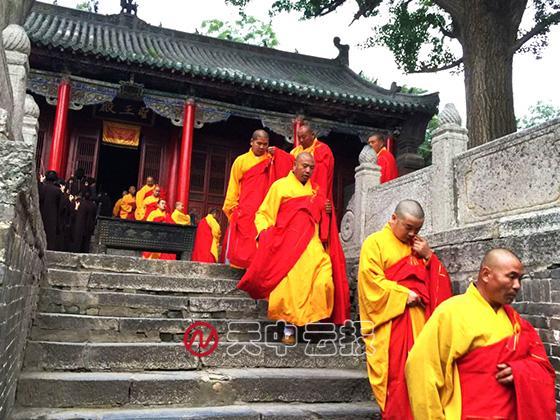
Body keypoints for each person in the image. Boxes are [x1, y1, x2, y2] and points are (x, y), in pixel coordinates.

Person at [406, 248, 556, 420]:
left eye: (520, 279)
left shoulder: (516, 322)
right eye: (511, 276)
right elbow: (421, 371)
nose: (517, 286)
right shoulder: (451, 312)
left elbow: (542, 367)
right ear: (486, 274)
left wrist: (521, 372)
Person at [357, 199, 452, 419]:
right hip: (392, 324)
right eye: (408, 227)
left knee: (420, 376)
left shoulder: (418, 248)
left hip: (420, 324)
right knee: (396, 378)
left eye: (417, 229)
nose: (412, 234)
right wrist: (402, 294)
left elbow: (439, 288)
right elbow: (370, 283)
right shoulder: (375, 243)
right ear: (393, 219)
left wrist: (429, 256)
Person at [238, 153, 334, 345]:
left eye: (311, 168)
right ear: (294, 166)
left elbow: (319, 217)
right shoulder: (280, 186)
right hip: (288, 246)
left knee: (324, 283)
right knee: (291, 289)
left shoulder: (315, 191)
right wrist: (265, 235)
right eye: (304, 166)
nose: (308, 171)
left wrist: (326, 211)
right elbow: (264, 214)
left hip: (312, 244)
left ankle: (310, 325)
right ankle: (289, 330)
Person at [290, 123, 350, 325]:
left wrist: (323, 208)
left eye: (304, 137)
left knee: (322, 270)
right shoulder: (295, 152)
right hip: (297, 218)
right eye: (298, 137)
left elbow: (322, 182)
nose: (301, 141)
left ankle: (321, 317)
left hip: (318, 207)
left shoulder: (322, 151)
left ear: (313, 135)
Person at [222, 129, 292, 268]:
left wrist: (278, 154)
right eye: (259, 143)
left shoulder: (271, 159)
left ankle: (257, 269)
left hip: (264, 207)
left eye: (265, 144)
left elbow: (293, 165)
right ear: (251, 142)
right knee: (244, 241)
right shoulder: (241, 161)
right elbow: (233, 185)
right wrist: (232, 206)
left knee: (261, 239)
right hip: (246, 207)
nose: (262, 147)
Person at [38, 170, 63, 250]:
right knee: (50, 235)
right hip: (53, 215)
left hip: (41, 213)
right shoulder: (57, 190)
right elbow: (60, 206)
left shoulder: (42, 187)